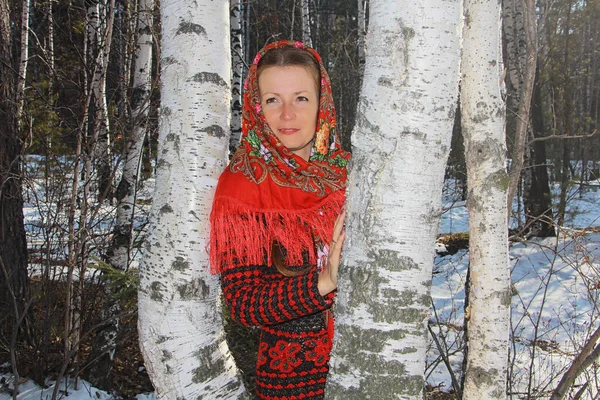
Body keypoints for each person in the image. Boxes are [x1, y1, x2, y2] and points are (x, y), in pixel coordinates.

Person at [210, 40, 350, 399]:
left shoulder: (351, 174)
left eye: (301, 98)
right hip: (295, 383)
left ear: (323, 103)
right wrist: (325, 281)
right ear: (256, 108)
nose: (287, 114)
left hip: (372, 362)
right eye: (273, 100)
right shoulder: (243, 185)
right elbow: (244, 304)